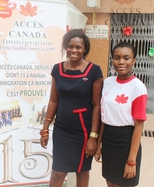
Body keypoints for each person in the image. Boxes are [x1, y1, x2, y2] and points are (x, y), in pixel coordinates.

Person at [40, 29, 103, 187]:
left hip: (83, 130)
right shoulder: (57, 69)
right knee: (58, 173)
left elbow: (97, 105)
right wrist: (45, 128)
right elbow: (54, 100)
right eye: (70, 46)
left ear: (84, 49)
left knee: (82, 171)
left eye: (78, 47)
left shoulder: (94, 71)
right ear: (65, 48)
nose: (73, 50)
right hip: (62, 129)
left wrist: (93, 137)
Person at [95, 42, 148, 187]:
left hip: (126, 142)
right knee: (110, 182)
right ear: (112, 60)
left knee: (123, 184)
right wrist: (99, 144)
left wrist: (131, 161)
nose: (121, 62)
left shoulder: (138, 87)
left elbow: (138, 127)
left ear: (134, 61)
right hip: (108, 140)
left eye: (126, 58)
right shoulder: (108, 82)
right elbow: (104, 117)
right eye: (117, 57)